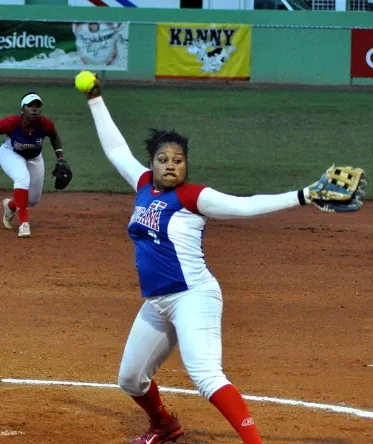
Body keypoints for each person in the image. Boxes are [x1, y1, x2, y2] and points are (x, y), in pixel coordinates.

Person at [80, 78, 361, 444]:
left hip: (193, 297)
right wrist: (95, 99)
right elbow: (116, 149)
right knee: (131, 379)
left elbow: (246, 205)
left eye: (178, 161)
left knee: (207, 376)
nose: (170, 166)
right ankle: (165, 426)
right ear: (152, 163)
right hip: (157, 302)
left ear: (186, 165)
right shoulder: (144, 184)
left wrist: (303, 195)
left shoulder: (195, 197)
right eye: (163, 160)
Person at [0, 92, 66, 238]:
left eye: (37, 106)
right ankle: (24, 224)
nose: (34, 109)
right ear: (23, 109)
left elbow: (54, 136)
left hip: (34, 158)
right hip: (11, 154)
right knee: (22, 178)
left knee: (32, 200)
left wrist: (60, 158)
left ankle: (10, 206)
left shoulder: (45, 124)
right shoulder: (11, 122)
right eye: (30, 105)